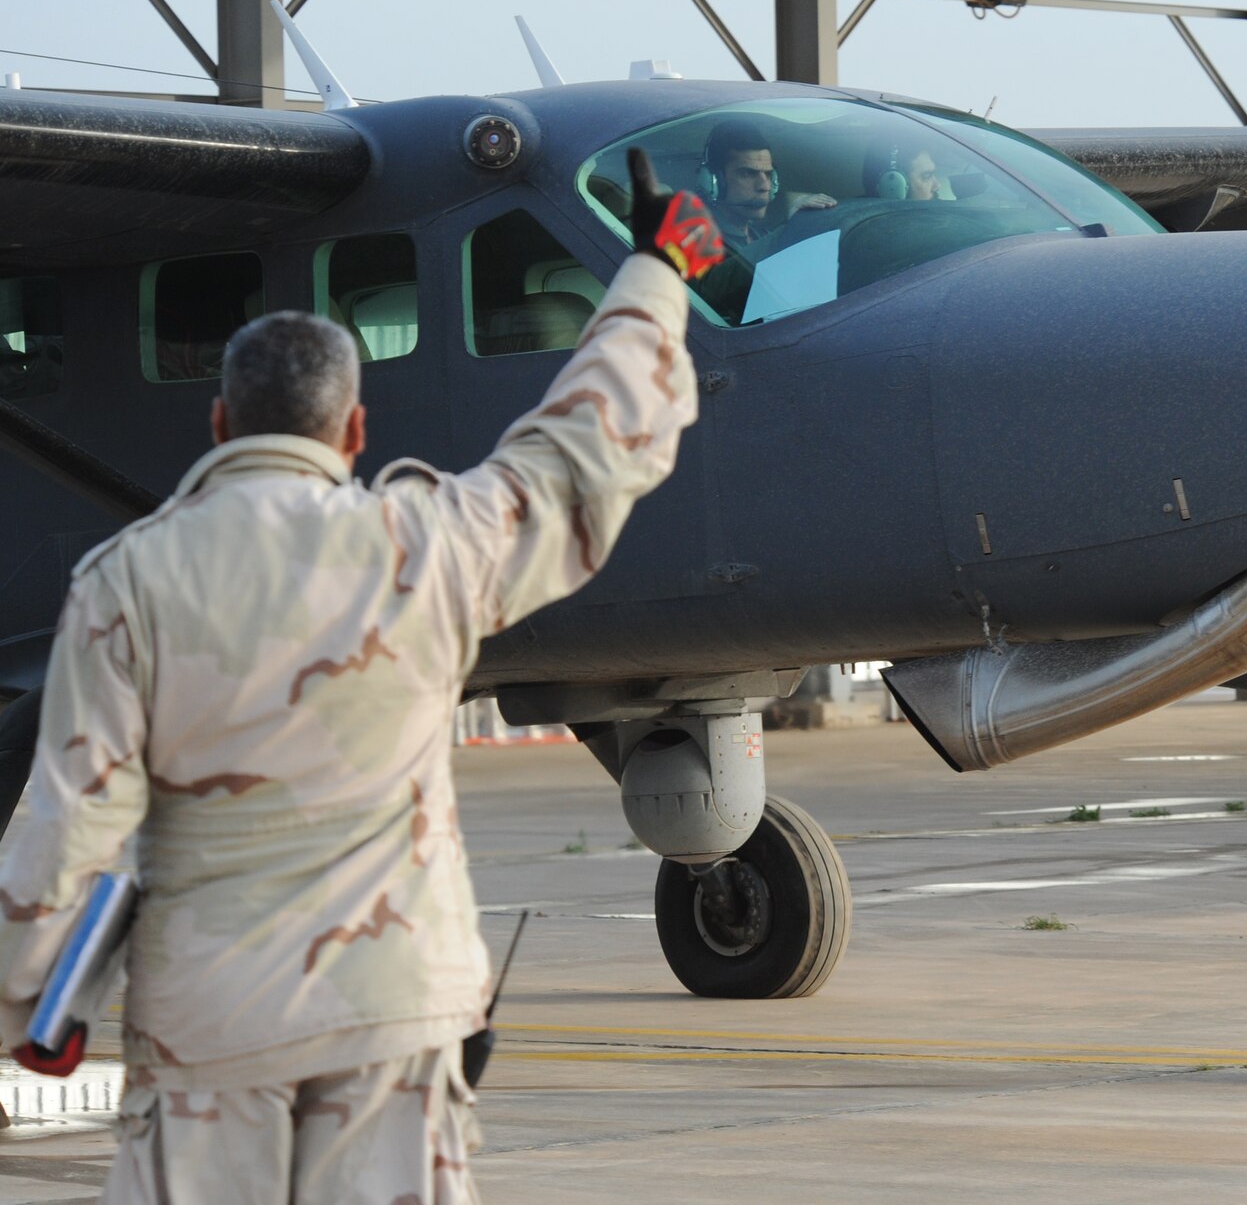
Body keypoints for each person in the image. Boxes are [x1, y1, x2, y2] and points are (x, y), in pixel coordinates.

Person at [0, 155, 723, 1203]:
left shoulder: (126, 583)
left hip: (209, 1033)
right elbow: (579, 453)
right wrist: (657, 272)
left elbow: (71, 828)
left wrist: (31, 1012)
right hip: (393, 1019)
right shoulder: (425, 544)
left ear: (218, 426)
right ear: (352, 430)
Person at [700, 119, 837, 250]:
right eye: (748, 174)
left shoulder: (761, 234)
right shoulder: (701, 242)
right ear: (715, 181)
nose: (765, 187)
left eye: (768, 174)